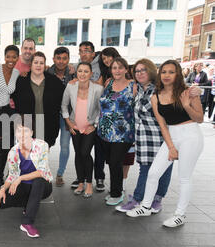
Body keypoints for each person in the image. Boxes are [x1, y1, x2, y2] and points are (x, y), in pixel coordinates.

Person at [126, 60, 204, 227]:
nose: (167, 75)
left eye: (171, 72)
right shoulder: (156, 96)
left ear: (177, 75)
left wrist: (186, 105)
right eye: (164, 72)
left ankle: (180, 215)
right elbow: (162, 125)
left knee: (184, 177)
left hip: (191, 135)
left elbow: (199, 118)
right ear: (159, 75)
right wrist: (171, 147)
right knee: (153, 173)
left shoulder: (188, 92)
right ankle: (146, 206)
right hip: (172, 136)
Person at [116, 58, 177, 213]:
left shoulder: (158, 90)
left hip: (160, 137)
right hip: (143, 139)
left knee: (161, 169)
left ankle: (148, 199)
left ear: (150, 71)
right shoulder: (140, 90)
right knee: (147, 169)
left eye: (143, 70)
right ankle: (145, 199)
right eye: (137, 71)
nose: (140, 73)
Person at [0, 122, 53, 238]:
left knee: (38, 181)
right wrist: (2, 190)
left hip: (43, 186)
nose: (22, 134)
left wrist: (20, 178)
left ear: (31, 133)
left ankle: (27, 223)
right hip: (24, 186)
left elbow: (42, 172)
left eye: (25, 131)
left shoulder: (42, 145)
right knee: (0, 203)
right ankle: (30, 203)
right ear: (15, 133)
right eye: (19, 131)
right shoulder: (13, 152)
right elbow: (12, 175)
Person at [98, 57, 136, 206]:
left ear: (126, 69)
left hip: (123, 133)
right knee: (112, 162)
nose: (117, 71)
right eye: (114, 68)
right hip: (105, 132)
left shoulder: (133, 86)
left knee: (115, 161)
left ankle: (117, 193)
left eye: (120, 67)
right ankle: (115, 189)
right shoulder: (108, 83)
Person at [62, 62, 103, 198]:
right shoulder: (70, 86)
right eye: (80, 71)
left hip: (89, 127)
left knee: (85, 153)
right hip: (75, 126)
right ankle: (80, 183)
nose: (82, 74)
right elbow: (64, 106)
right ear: (76, 73)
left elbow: (101, 110)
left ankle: (89, 183)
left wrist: (94, 125)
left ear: (91, 74)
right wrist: (68, 123)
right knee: (78, 154)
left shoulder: (98, 89)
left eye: (86, 71)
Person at [70, 41, 105, 192]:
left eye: (86, 51)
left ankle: (97, 178)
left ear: (93, 52)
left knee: (95, 151)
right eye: (80, 51)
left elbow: (99, 93)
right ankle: (81, 179)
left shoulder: (101, 66)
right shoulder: (77, 67)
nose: (83, 53)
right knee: (80, 152)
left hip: (93, 121)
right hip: (77, 121)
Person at [11, 51, 64, 148]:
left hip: (48, 125)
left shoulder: (54, 82)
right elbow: (16, 101)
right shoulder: (21, 81)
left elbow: (62, 101)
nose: (38, 65)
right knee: (28, 157)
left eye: (41, 63)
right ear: (30, 64)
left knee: (43, 157)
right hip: (27, 125)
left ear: (45, 65)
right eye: (36, 62)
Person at [0, 45, 20, 191]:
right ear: (4, 56)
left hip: (7, 111)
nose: (11, 60)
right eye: (8, 56)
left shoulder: (17, 73)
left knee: (7, 147)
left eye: (14, 57)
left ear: (17, 58)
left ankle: (6, 176)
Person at [46, 47, 74, 187]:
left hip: (67, 116)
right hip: (49, 115)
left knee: (64, 146)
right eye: (58, 58)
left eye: (64, 58)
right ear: (53, 59)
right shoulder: (46, 73)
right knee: (46, 145)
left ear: (68, 59)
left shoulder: (73, 74)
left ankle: (60, 173)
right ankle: (43, 172)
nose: (61, 61)